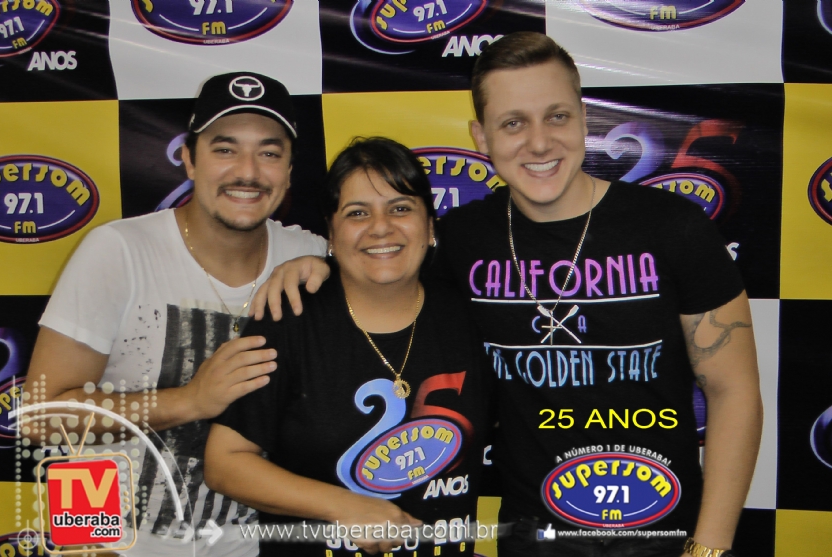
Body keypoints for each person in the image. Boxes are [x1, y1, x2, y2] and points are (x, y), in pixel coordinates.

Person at [251, 33, 763, 557]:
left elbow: (734, 392)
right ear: (481, 136)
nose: (538, 143)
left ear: (584, 120)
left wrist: (710, 548)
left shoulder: (674, 227)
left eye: (556, 116)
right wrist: (321, 263)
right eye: (513, 123)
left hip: (664, 537)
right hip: (533, 539)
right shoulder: (461, 238)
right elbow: (384, 266)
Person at [26, 72, 326, 556]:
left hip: (250, 542)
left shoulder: (309, 254)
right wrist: (189, 401)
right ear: (189, 159)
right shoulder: (118, 249)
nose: (247, 171)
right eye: (224, 149)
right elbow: (42, 418)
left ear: (289, 171)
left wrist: (333, 270)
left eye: (269, 153)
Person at [205, 138, 490, 556]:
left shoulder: (469, 313)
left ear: (430, 227)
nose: (380, 227)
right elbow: (225, 462)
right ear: (332, 234)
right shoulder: (290, 316)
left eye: (400, 208)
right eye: (357, 213)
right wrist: (345, 506)